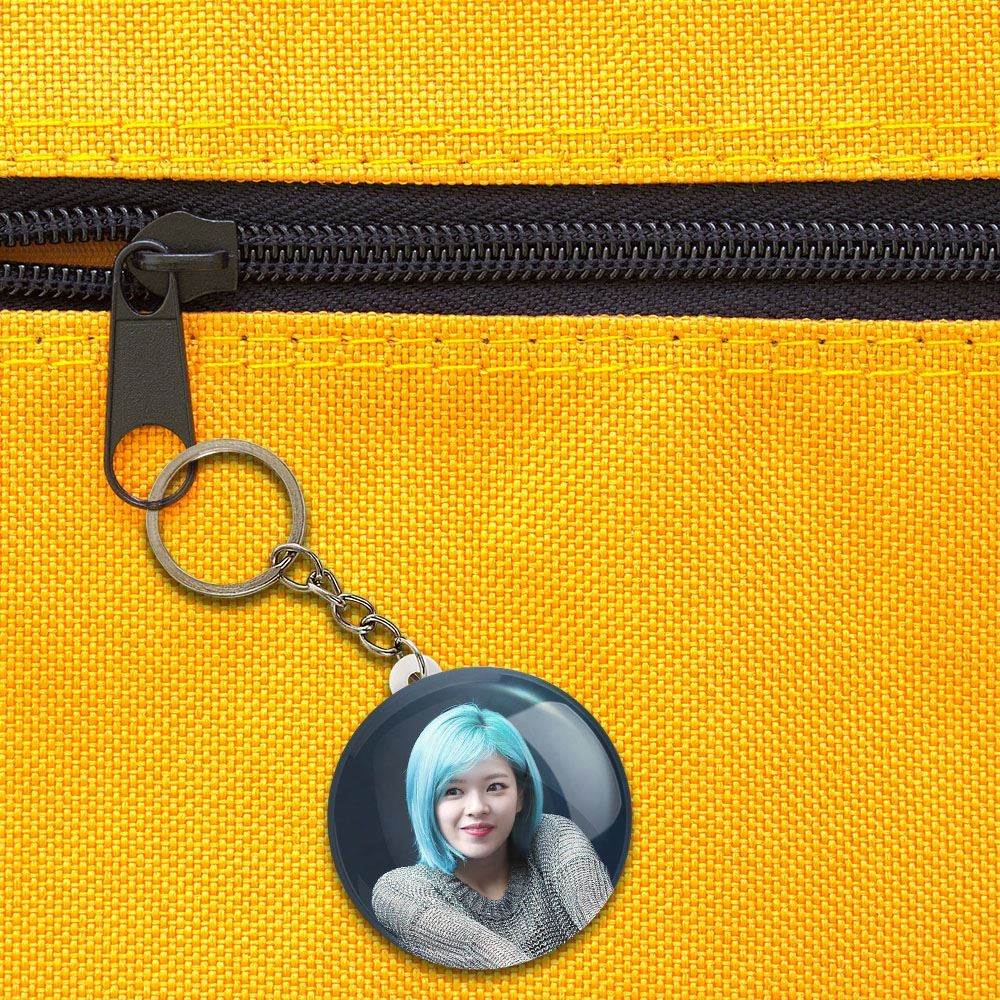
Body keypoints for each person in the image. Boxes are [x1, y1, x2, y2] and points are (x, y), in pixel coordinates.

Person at [371, 702, 614, 970]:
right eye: (453, 791)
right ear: (426, 803)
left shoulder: (554, 837)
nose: (477, 808)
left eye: (495, 787)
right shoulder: (400, 892)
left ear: (520, 796)